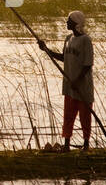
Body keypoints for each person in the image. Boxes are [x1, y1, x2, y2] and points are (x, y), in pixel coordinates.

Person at [37, 10, 94, 150]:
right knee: (68, 116)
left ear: (76, 23)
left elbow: (88, 64)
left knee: (85, 116)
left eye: (69, 21)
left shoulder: (86, 40)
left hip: (82, 86)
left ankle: (86, 144)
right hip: (69, 85)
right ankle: (67, 144)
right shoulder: (68, 39)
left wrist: (77, 81)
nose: (66, 23)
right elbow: (64, 57)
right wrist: (46, 50)